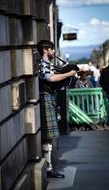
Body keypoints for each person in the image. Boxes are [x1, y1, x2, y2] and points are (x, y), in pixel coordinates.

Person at [37, 40, 77, 178]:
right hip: (45, 98)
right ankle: (48, 168)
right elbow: (51, 78)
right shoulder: (42, 64)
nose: (53, 52)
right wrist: (68, 74)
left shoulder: (49, 64)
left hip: (49, 98)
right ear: (45, 50)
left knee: (49, 137)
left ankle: (49, 167)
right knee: (48, 136)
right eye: (52, 49)